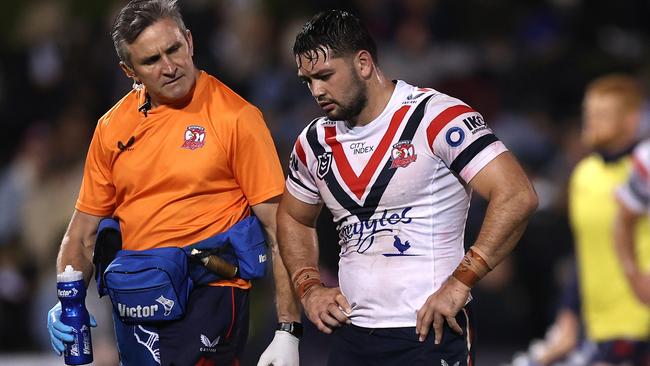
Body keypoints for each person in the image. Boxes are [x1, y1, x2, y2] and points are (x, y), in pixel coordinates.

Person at [45, 1, 302, 365]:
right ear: (128, 70)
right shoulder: (110, 128)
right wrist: (66, 300)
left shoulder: (237, 118)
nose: (169, 67)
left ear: (190, 41)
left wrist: (288, 330)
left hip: (209, 299)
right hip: (136, 305)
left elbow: (281, 229)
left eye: (174, 49)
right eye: (151, 60)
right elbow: (82, 233)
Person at [277, 9, 538, 365]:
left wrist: (461, 282)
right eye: (307, 81)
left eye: (324, 76)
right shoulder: (313, 142)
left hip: (429, 332)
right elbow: (293, 217)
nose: (316, 91)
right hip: (350, 336)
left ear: (364, 63)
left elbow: (517, 194)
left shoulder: (437, 117)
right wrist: (309, 289)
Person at [568, 74, 650, 365]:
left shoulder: (642, 172)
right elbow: (583, 252)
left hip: (639, 325)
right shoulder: (583, 174)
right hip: (596, 327)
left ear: (631, 120)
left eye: (602, 114)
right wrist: (567, 316)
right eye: (588, 113)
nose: (591, 121)